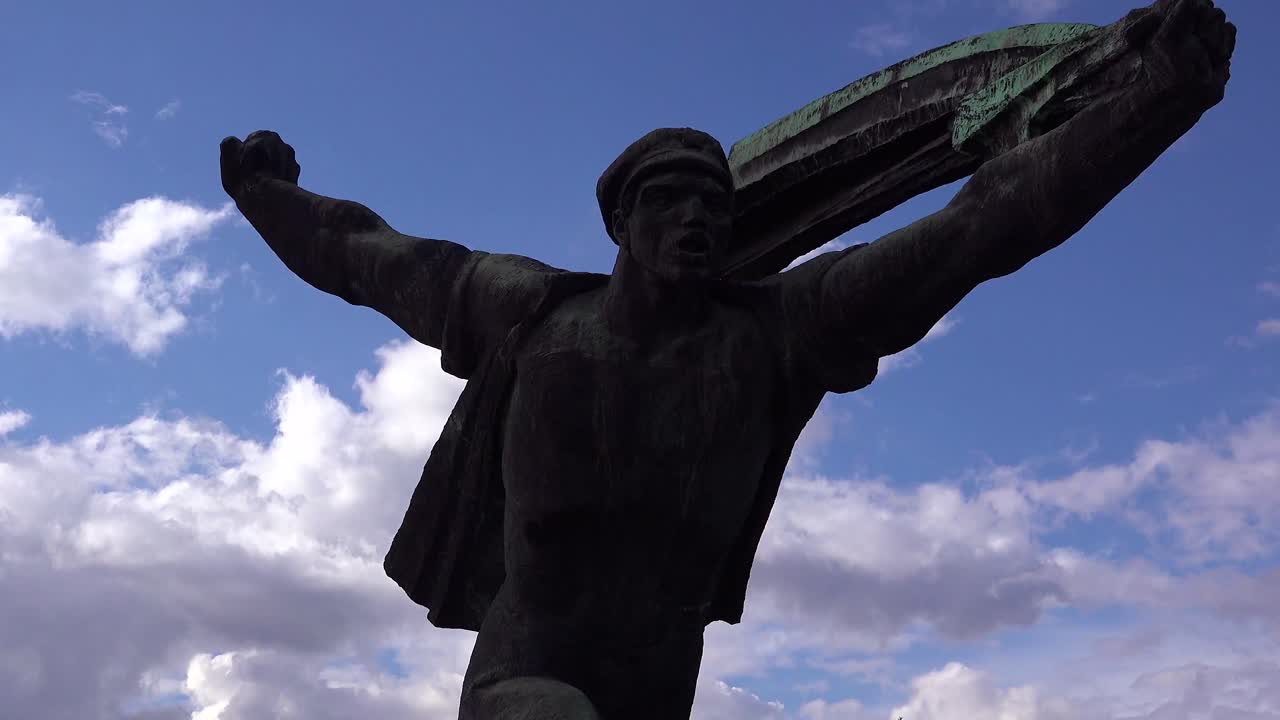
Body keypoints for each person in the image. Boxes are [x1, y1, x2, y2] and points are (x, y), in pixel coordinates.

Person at [218, 1, 1233, 717]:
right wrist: (270, 197)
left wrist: (1154, 103)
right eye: (669, 200)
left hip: (661, 686)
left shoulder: (777, 335)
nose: (696, 219)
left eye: (713, 202)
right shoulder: (525, 312)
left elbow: (980, 228)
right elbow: (367, 256)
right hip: (526, 676)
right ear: (621, 220)